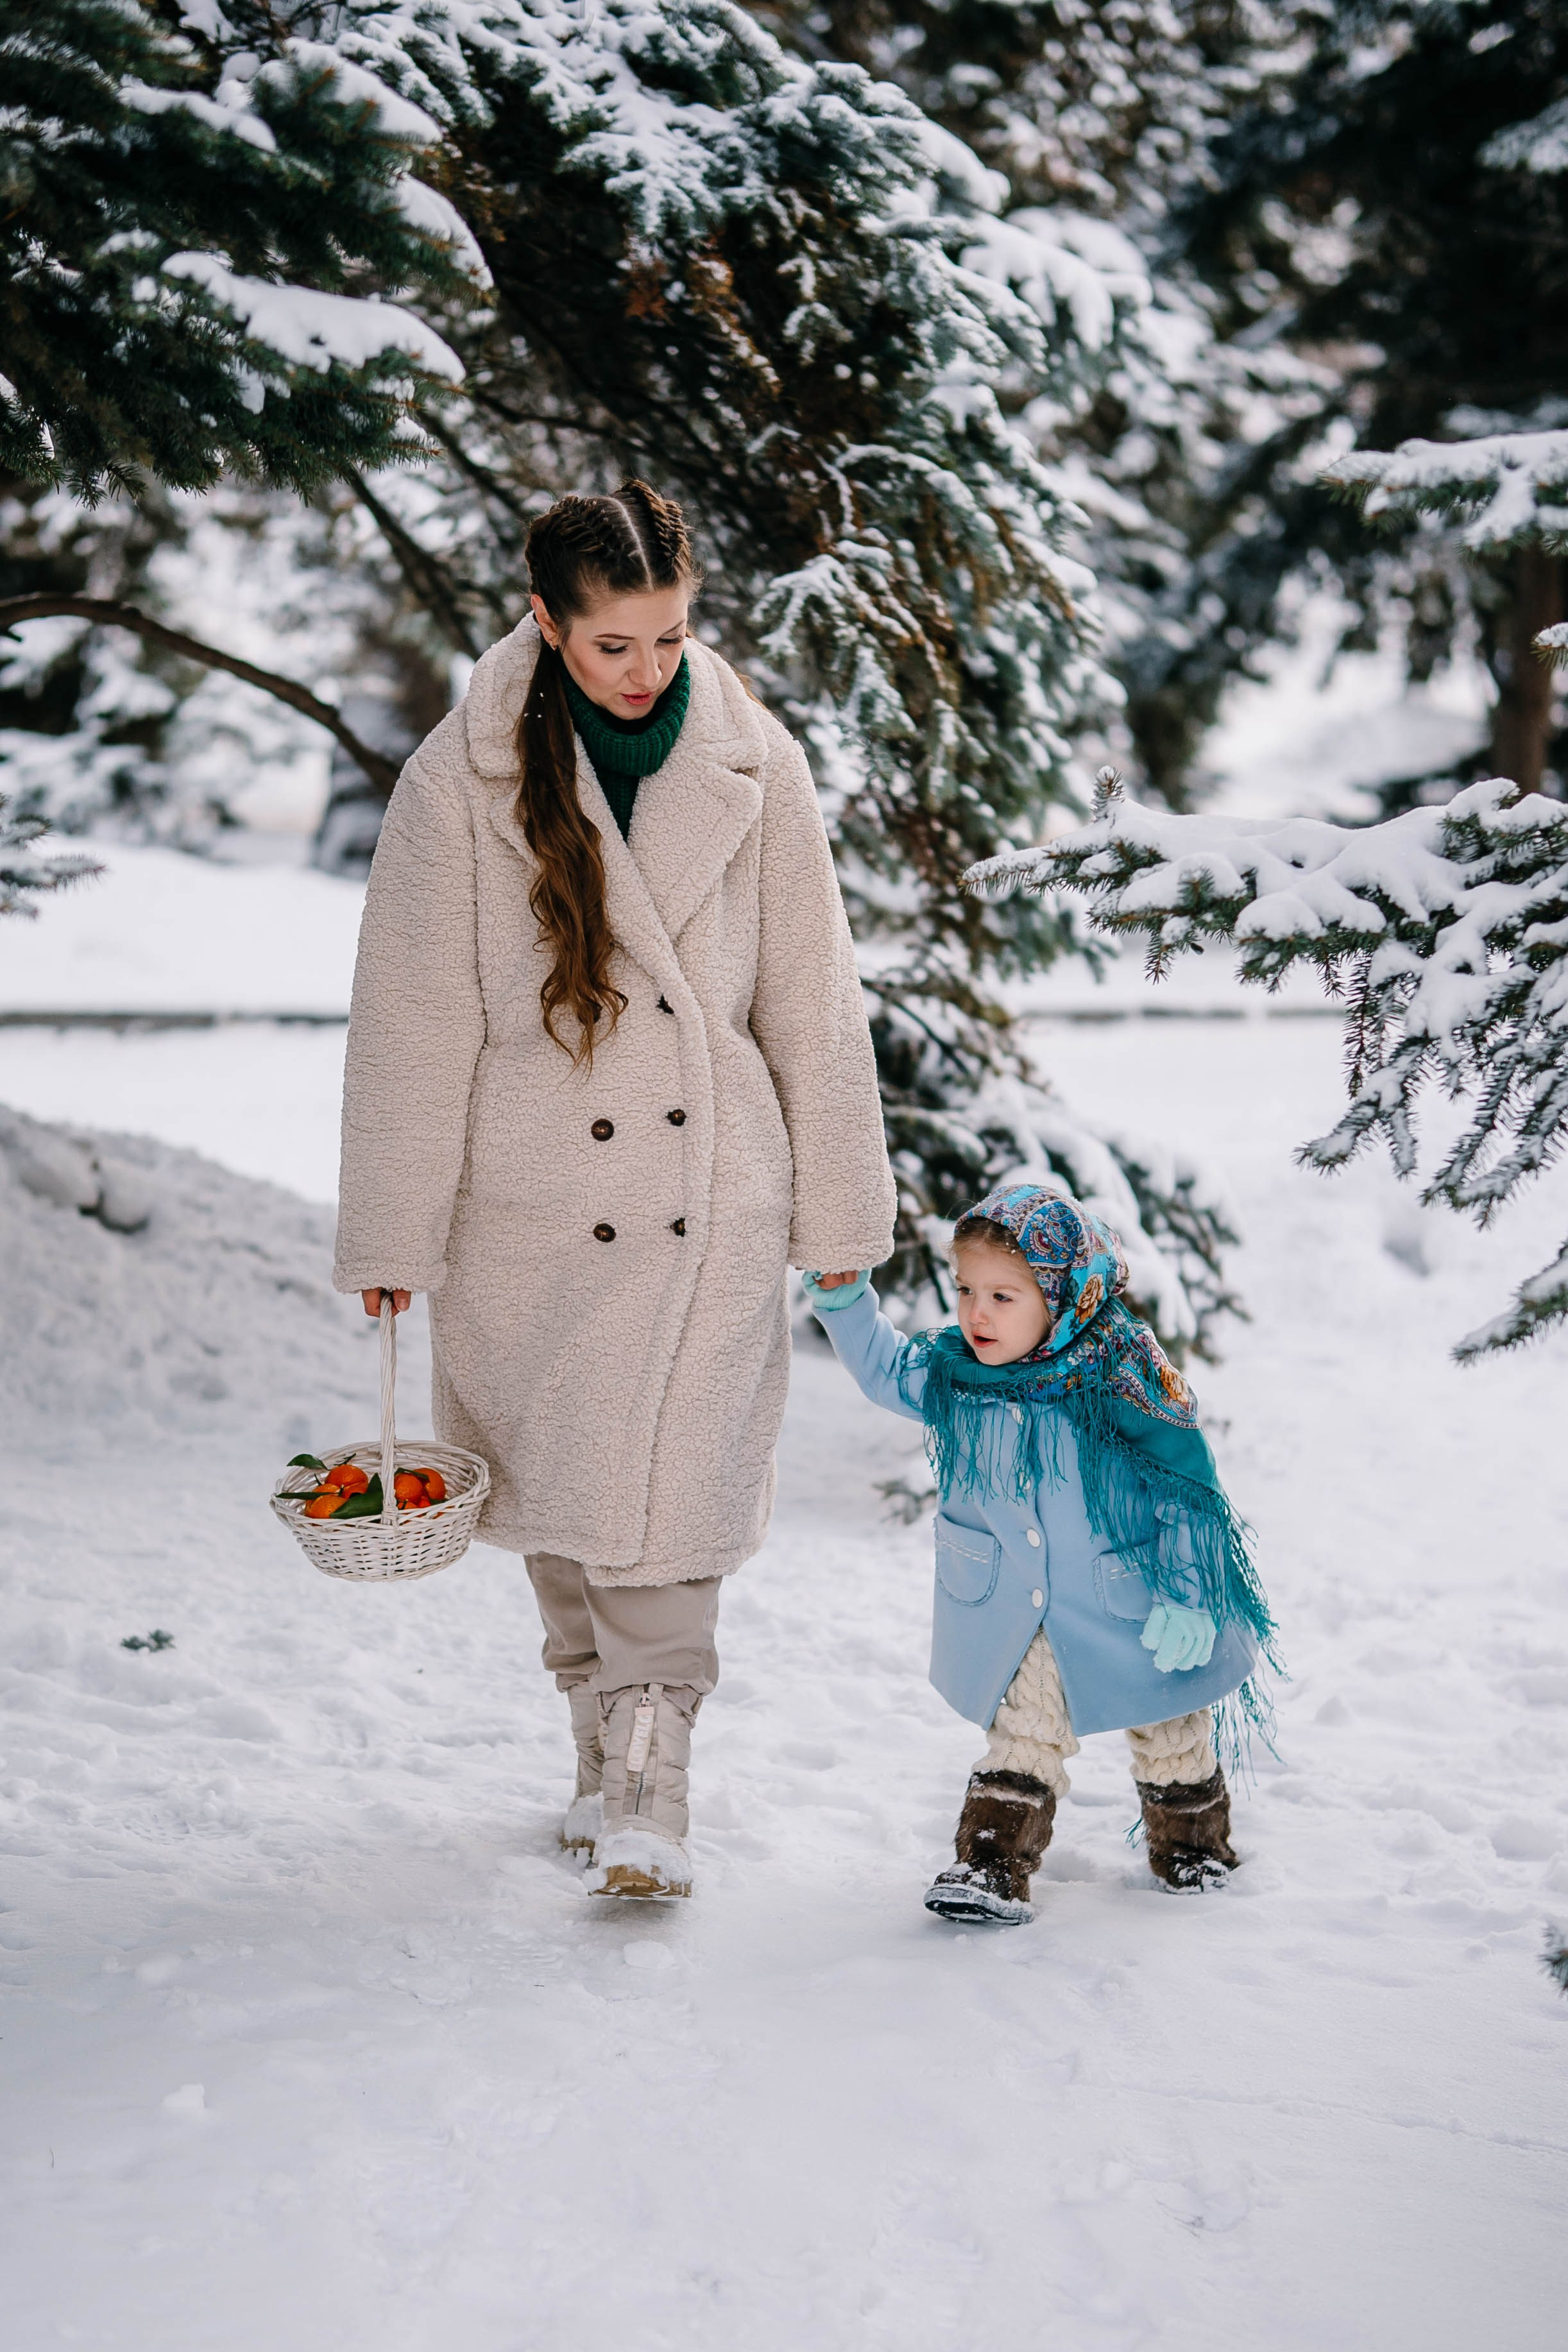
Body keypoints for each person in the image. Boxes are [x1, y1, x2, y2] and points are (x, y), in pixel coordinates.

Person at [334, 480, 894, 1898]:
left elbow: (811, 1002)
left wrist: (839, 1217)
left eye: (670, 637)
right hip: (522, 1198)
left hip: (707, 1190)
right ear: (545, 622)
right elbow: (410, 1023)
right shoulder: (455, 782)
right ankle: (597, 1741)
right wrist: (394, 1229)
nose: (649, 671)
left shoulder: (755, 764)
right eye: (614, 646)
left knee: (666, 1495)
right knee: (570, 1497)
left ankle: (654, 1773)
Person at [805, 1184, 1277, 1924]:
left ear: (1062, 1298)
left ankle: (1191, 1845)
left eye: (1002, 1295)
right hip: (1021, 1610)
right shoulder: (959, 1374)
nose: (976, 1313)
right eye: (965, 1290)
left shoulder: (1123, 1377)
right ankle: (990, 1865)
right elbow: (886, 1371)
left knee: (1170, 1725)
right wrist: (846, 1304)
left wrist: (1188, 1593)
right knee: (1023, 1730)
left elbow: (1185, 1488)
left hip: (1131, 1594)